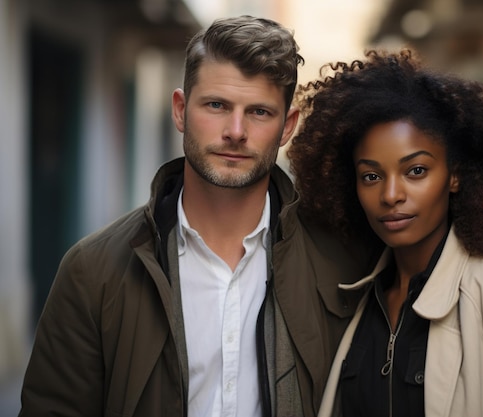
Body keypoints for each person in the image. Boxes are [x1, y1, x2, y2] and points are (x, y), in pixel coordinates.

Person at [19, 15, 373, 417]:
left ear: (287, 126)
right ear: (181, 110)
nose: (236, 131)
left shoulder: (343, 263)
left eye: (259, 112)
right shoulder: (93, 270)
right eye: (217, 105)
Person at [287, 49, 483, 417]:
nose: (391, 195)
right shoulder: (357, 299)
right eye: (371, 176)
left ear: (454, 175)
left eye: (415, 171)